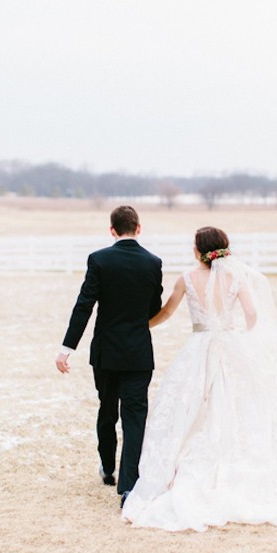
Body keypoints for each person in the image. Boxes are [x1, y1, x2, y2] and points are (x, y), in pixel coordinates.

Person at [122, 226, 277, 531]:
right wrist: (238, 332)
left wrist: (142, 325)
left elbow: (167, 312)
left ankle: (179, 468)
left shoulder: (185, 278)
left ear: (198, 251)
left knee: (192, 405)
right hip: (229, 346)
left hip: (198, 348)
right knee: (236, 406)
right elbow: (253, 315)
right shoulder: (237, 278)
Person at [56, 206, 163, 504]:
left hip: (105, 352)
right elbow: (153, 308)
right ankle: (129, 485)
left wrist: (67, 348)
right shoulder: (153, 263)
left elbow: (84, 305)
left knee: (107, 408)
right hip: (139, 352)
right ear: (138, 228)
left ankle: (107, 466)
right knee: (134, 416)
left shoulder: (99, 260)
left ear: (112, 230)